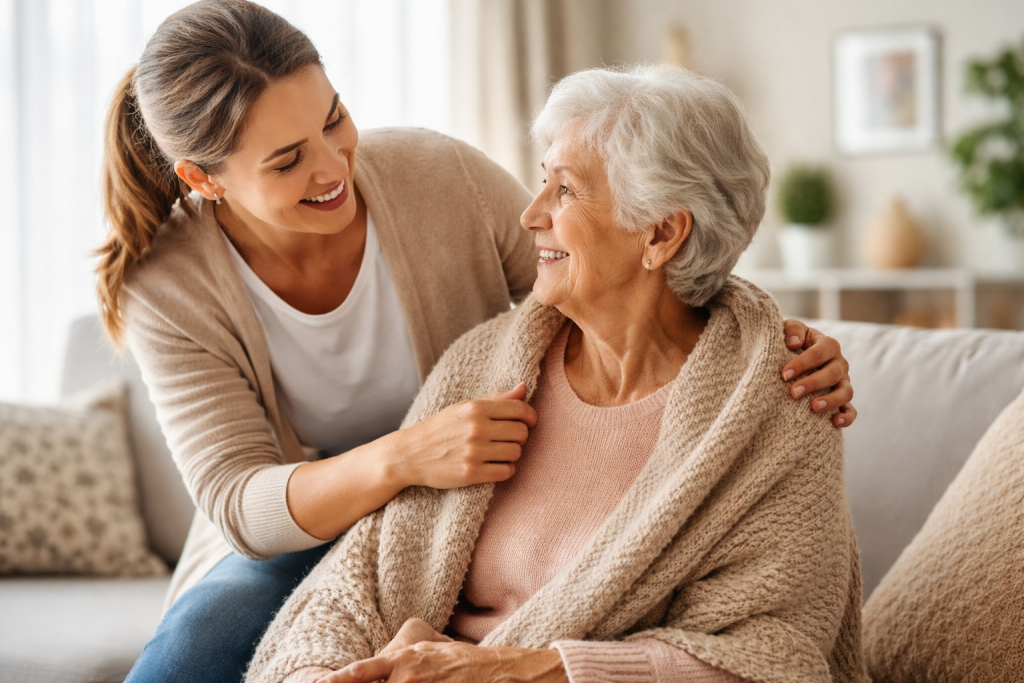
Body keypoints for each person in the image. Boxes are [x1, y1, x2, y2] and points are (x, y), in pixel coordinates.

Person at [96, 2, 857, 681]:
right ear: (206, 179)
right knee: (200, 642)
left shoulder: (434, 176)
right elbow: (239, 501)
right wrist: (409, 455)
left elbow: (633, 269)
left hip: (455, 479)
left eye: (333, 119)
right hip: (321, 515)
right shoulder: (169, 282)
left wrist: (767, 341)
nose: (333, 167)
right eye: (288, 159)